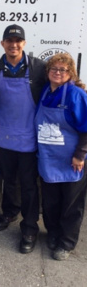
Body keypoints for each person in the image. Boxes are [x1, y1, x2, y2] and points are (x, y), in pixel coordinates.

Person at [0, 24, 47, 253]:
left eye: (18, 41)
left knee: (29, 185)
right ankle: (9, 212)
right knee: (8, 180)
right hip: (4, 136)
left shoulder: (38, 69)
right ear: (2, 44)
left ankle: (30, 227)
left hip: (28, 138)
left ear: (24, 43)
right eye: (9, 41)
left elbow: (55, 87)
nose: (13, 45)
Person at [35, 53, 87, 260]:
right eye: (54, 69)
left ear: (70, 73)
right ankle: (53, 234)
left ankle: (66, 243)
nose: (58, 73)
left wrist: (80, 154)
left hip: (71, 160)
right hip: (48, 158)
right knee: (50, 202)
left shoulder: (76, 95)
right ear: (47, 72)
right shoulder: (45, 92)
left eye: (63, 70)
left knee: (71, 204)